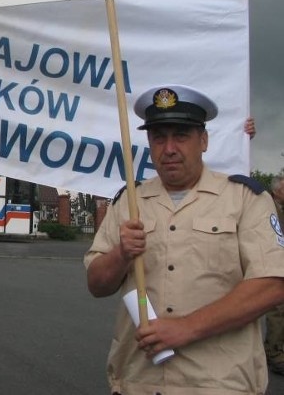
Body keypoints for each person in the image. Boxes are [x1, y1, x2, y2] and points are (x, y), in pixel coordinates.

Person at [84, 84, 284, 395]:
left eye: (181, 135)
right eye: (159, 137)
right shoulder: (129, 201)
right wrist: (121, 254)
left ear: (203, 140)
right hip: (138, 382)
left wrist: (188, 327)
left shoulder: (245, 198)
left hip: (219, 384)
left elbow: (272, 284)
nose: (170, 148)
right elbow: (97, 284)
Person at [265, 175, 284, 374]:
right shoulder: (270, 207)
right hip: (276, 263)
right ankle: (275, 352)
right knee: (277, 311)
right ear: (277, 191)